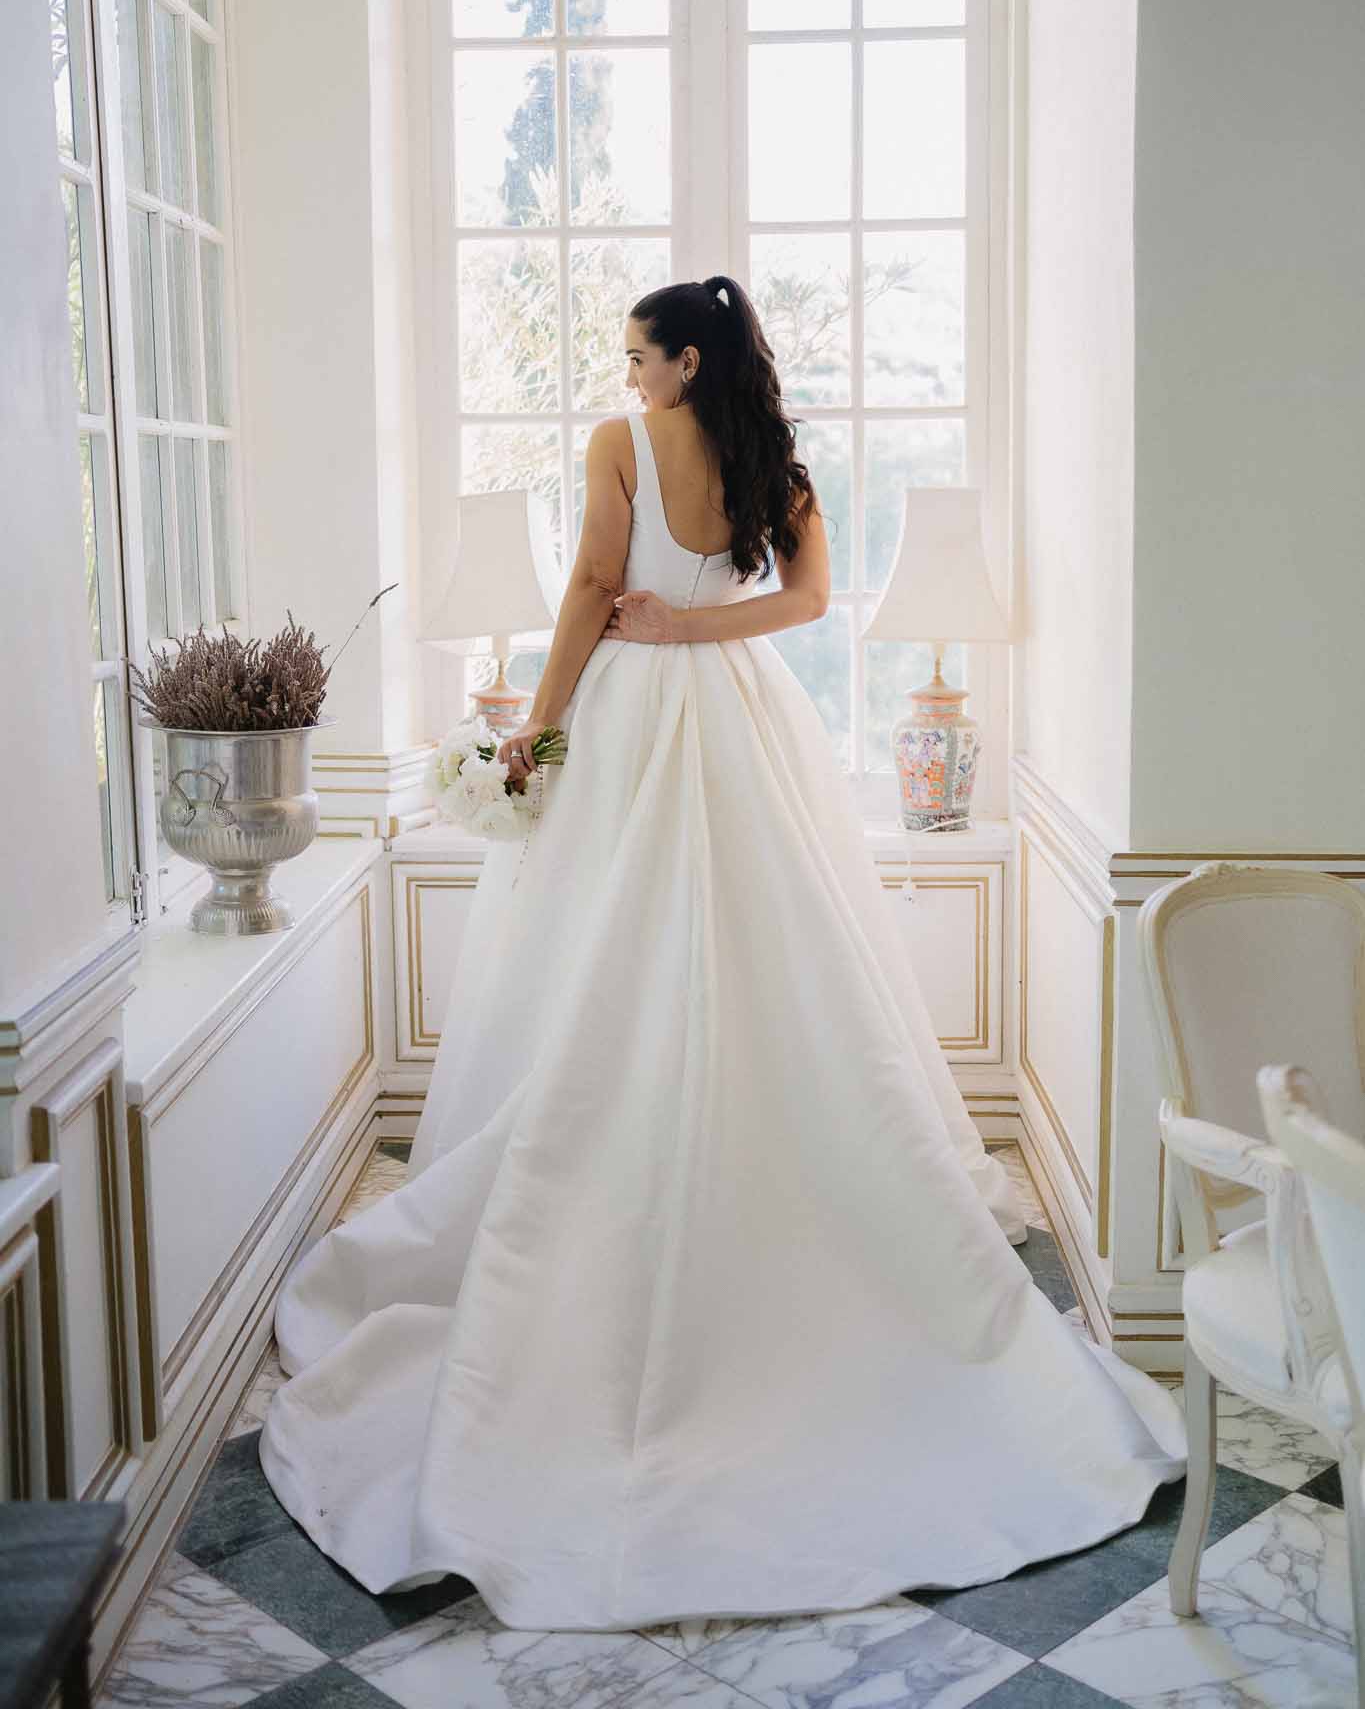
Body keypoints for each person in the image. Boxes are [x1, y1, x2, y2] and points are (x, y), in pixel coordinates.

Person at [259, 276, 1186, 1632]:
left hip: (633, 714)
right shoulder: (773, 460)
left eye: (640, 354)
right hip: (741, 710)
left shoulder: (620, 445)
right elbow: (809, 601)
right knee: (773, 957)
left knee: (603, 953)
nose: (628, 374)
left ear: (687, 361)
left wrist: (536, 728)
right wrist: (700, 628)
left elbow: (592, 587)